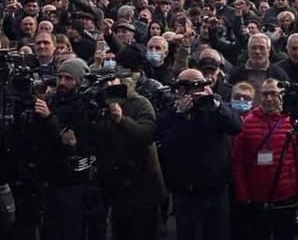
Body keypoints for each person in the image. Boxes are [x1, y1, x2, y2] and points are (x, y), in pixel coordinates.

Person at [157, 68, 242, 240]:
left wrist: (217, 106)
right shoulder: (169, 112)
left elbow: (236, 126)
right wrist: (181, 115)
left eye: (200, 87)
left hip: (216, 189)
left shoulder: (214, 105)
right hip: (186, 192)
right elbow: (168, 147)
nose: (196, 93)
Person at [33, 58, 106, 240]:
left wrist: (49, 119)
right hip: (49, 178)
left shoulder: (85, 107)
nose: (62, 83)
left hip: (73, 181)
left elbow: (73, 140)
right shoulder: (51, 101)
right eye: (60, 77)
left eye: (69, 78)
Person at [231, 78, 298, 240]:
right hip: (257, 199)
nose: (268, 99)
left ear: (282, 96)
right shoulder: (246, 123)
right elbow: (237, 163)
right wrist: (243, 194)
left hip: (286, 198)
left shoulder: (292, 123)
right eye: (265, 94)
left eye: (273, 94)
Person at [90, 71, 163, 240]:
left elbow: (147, 134)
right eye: (104, 82)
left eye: (112, 80)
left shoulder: (140, 103)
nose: (109, 85)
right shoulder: (98, 105)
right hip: (115, 186)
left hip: (143, 186)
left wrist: (122, 120)